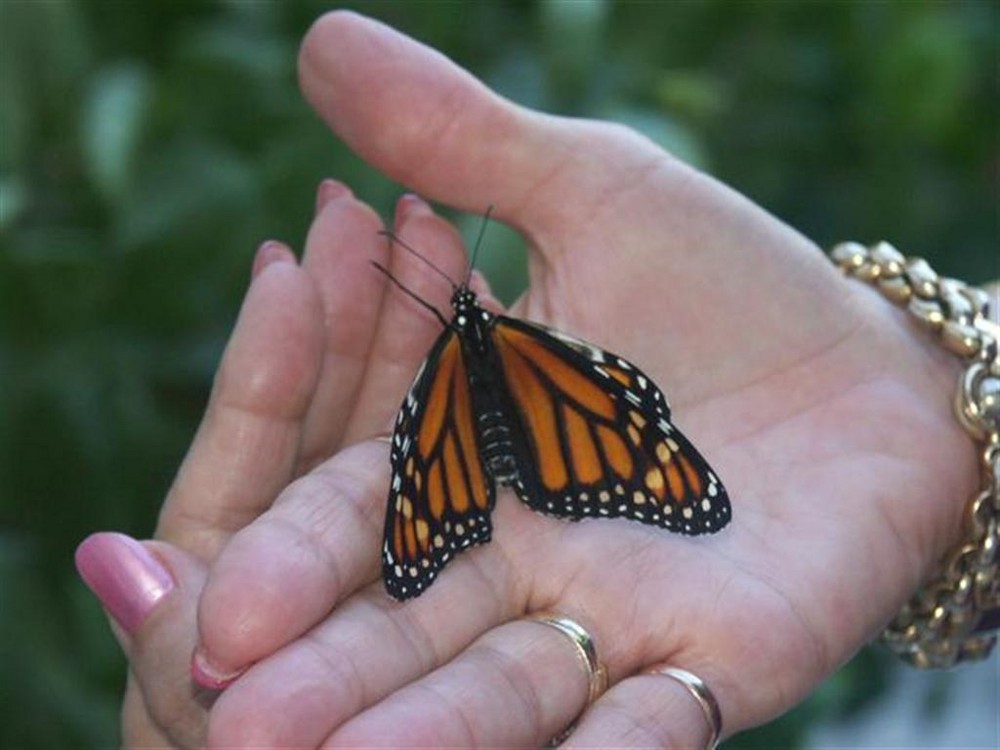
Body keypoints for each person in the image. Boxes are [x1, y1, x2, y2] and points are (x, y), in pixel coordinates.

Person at [73, 10, 991, 749]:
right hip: (545, 441)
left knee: (438, 467)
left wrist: (920, 391)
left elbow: (434, 466)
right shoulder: (518, 349)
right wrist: (927, 384)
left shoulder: (484, 356)